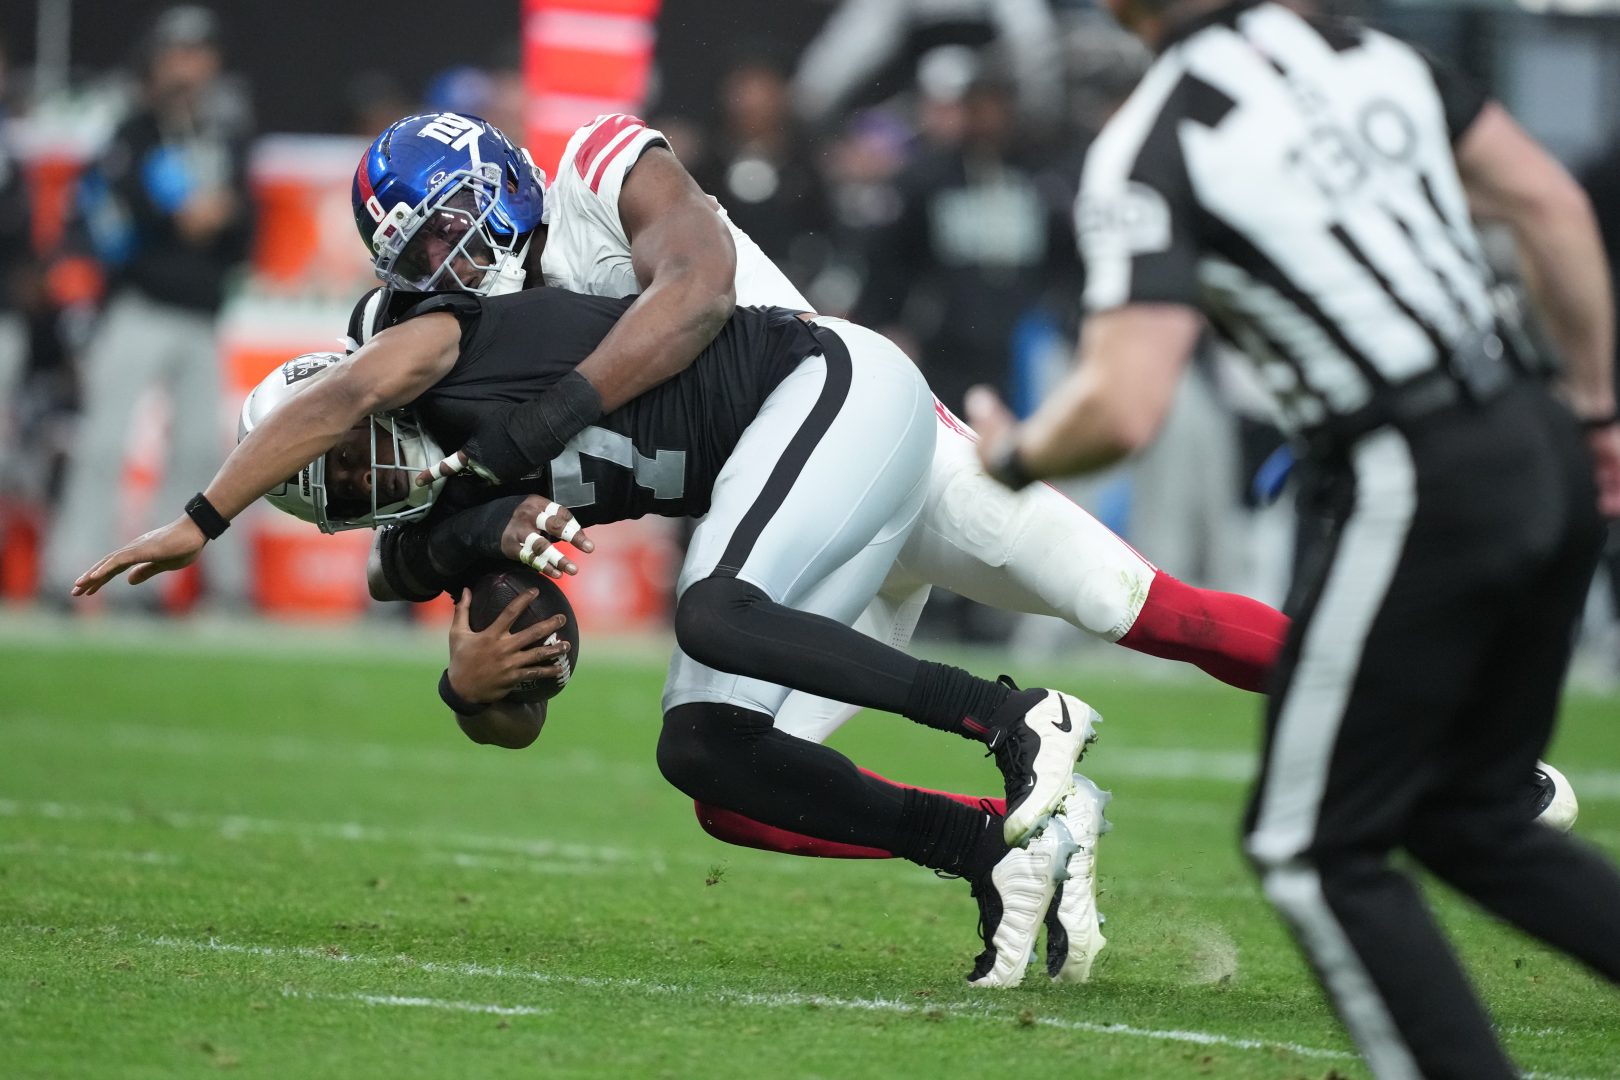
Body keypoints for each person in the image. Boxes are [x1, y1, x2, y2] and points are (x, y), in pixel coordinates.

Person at [73, 279, 1104, 990]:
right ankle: (981, 851)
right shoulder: (435, 526)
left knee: (714, 611)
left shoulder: (445, 345)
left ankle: (1015, 716)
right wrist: (467, 691)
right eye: (339, 494)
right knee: (701, 748)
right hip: (778, 456)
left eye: (343, 458)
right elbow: (513, 714)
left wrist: (198, 521)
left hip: (827, 381)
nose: (364, 481)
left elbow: (350, 390)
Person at [963, 0, 1620, 1074]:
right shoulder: (1368, 52)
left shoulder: (1153, 137)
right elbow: (1548, 202)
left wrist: (1013, 455)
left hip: (1415, 466)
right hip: (1537, 435)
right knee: (1466, 817)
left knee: (1313, 850)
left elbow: (1123, 405)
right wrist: (1596, 413)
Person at [43, 5, 254, 610]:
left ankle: (152, 587)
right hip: (138, 306)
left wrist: (225, 216)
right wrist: (172, 216)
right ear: (158, 63)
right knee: (104, 443)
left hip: (199, 313)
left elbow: (245, 224)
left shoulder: (227, 133)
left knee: (195, 453)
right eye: (177, 55)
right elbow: (107, 216)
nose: (188, 68)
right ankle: (67, 573)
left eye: (199, 54)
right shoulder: (135, 130)